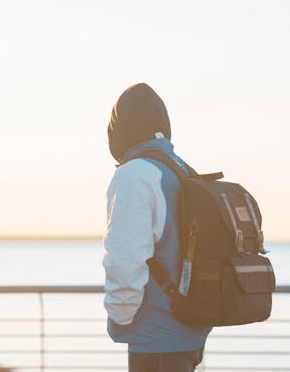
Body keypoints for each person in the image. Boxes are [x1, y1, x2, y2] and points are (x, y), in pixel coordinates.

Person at [103, 83, 212, 372]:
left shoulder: (134, 175)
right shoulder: (181, 169)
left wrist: (120, 318)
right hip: (190, 332)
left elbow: (125, 260)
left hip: (156, 340)